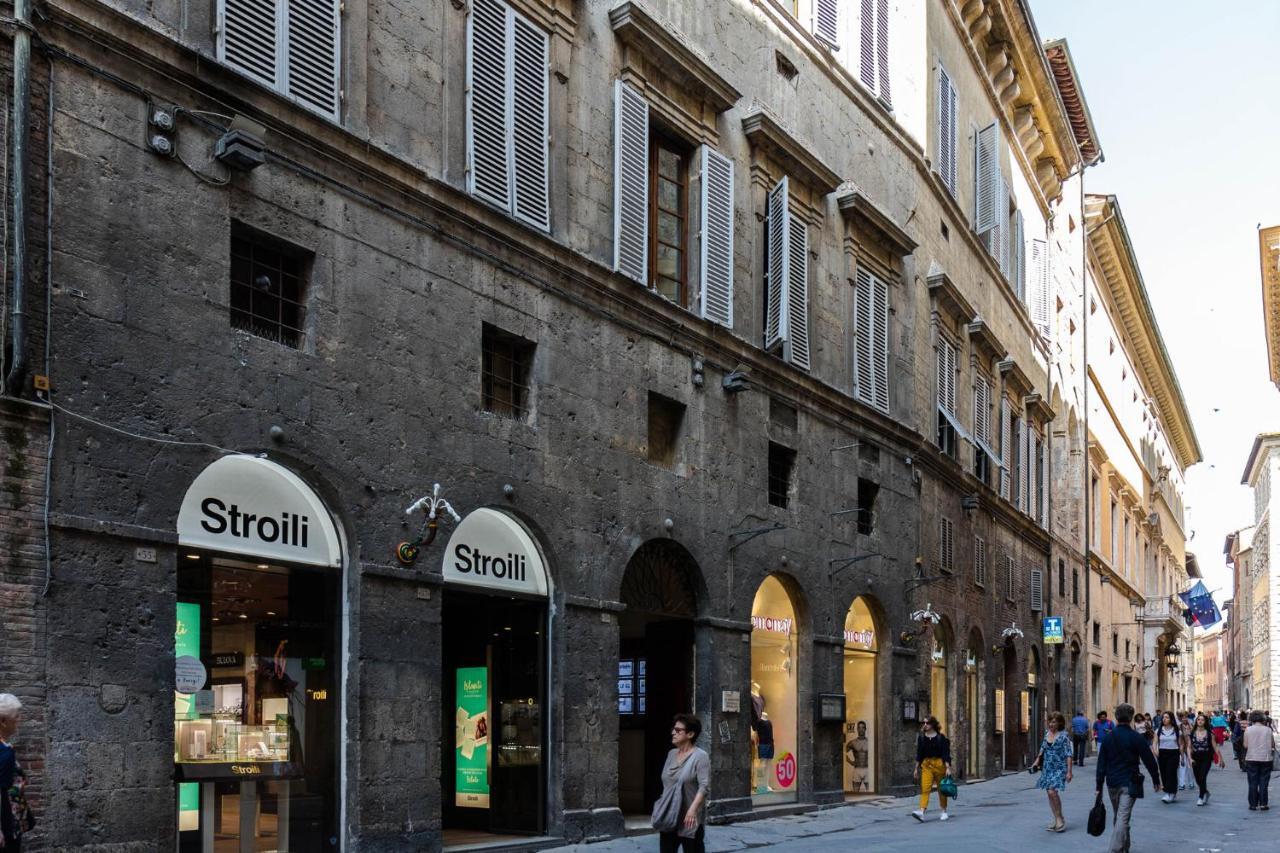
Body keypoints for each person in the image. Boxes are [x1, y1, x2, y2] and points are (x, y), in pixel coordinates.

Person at [1096, 703, 1161, 853]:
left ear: (1116, 717)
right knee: (1122, 818)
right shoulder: (1136, 737)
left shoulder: (1107, 738)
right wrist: (1156, 780)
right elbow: (1149, 760)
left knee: (1120, 817)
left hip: (1111, 782)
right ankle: (1116, 849)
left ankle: (1124, 848)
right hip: (1129, 783)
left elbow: (1101, 764)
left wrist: (1098, 787)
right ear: (1131, 717)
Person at [656, 714, 710, 853]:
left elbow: (704, 787)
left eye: (678, 730)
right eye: (674, 729)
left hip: (689, 818)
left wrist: (692, 810)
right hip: (669, 814)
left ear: (690, 734)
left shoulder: (700, 756)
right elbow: (667, 783)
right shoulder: (671, 754)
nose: (673, 732)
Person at [1031, 710, 1073, 832]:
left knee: (1052, 792)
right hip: (1047, 767)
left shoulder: (1064, 736)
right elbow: (1042, 749)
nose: (1051, 724)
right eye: (1050, 721)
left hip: (1059, 768)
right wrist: (1036, 762)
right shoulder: (1046, 734)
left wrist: (1069, 772)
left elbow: (1068, 754)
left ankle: (1060, 818)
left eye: (1054, 722)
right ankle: (1056, 819)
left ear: (1059, 723)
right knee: (1049, 794)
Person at [911, 715, 952, 822]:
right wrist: (916, 769)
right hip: (926, 765)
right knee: (925, 788)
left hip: (939, 765)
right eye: (924, 723)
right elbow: (919, 754)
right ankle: (921, 811)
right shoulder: (921, 738)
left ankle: (944, 811)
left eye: (927, 723)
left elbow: (945, 753)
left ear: (933, 725)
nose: (925, 725)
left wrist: (948, 767)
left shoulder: (940, 738)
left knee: (941, 789)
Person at [0, 693, 26, 852]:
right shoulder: (4, 753)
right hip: (6, 819)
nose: (20, 719)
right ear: (3, 721)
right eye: (16, 716)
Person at [1243, 709, 1274, 811]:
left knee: (1252, 782)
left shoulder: (1248, 730)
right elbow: (1272, 745)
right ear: (1262, 719)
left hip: (1251, 758)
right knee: (1264, 782)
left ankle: (1253, 804)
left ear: (1252, 719)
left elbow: (1245, 745)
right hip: (1266, 759)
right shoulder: (1268, 730)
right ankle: (1263, 804)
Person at [1188, 712, 1220, 805]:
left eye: (1202, 720)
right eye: (1198, 719)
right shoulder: (1192, 733)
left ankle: (1201, 797)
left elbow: (1215, 746)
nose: (1200, 721)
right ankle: (1206, 792)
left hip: (1206, 758)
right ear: (1196, 721)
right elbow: (1189, 747)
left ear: (1205, 722)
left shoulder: (1210, 734)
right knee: (1198, 779)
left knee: (1202, 777)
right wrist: (1190, 758)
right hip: (1195, 758)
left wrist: (1220, 758)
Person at [1155, 711, 1184, 802]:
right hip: (1162, 753)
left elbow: (1181, 744)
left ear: (1171, 719)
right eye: (1163, 717)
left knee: (1171, 773)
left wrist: (1182, 756)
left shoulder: (1177, 731)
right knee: (1163, 773)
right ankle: (1168, 792)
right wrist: (1156, 752)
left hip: (1173, 753)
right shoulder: (1158, 730)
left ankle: (1171, 793)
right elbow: (1154, 743)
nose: (1164, 719)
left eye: (1167, 717)